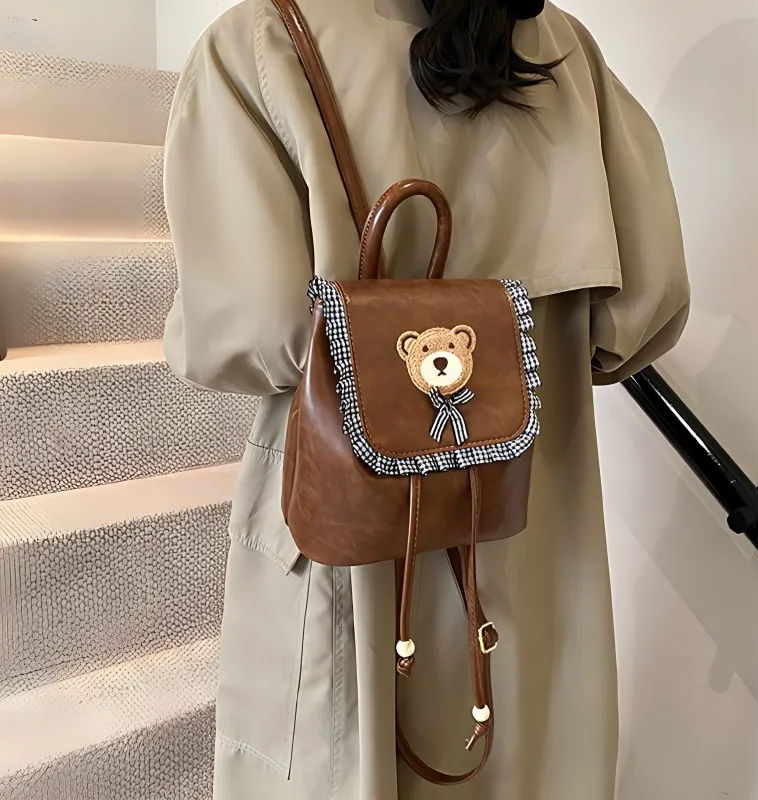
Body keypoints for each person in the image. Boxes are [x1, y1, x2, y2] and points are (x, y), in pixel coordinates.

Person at [163, 1, 689, 797]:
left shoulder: (262, 41)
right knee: (537, 741)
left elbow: (252, 329)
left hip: (355, 521)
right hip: (538, 509)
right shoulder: (563, 48)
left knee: (347, 742)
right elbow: (639, 312)